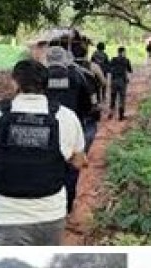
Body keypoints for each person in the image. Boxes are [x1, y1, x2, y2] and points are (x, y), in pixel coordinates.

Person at [0, 59, 88, 246]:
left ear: (14, 82)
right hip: (51, 216)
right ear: (45, 84)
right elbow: (79, 161)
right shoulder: (66, 117)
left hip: (4, 219)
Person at [45, 46, 96, 214]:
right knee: (73, 166)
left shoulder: (41, 77)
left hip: (45, 127)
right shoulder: (77, 76)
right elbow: (88, 105)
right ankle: (67, 205)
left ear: (48, 59)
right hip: (72, 128)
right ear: (65, 59)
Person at [109, 47, 133, 121]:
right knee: (122, 98)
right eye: (124, 52)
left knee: (113, 97)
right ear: (122, 52)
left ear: (118, 52)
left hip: (114, 81)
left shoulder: (113, 59)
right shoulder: (126, 60)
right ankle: (121, 116)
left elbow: (109, 69)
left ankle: (111, 113)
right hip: (122, 81)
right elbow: (130, 70)